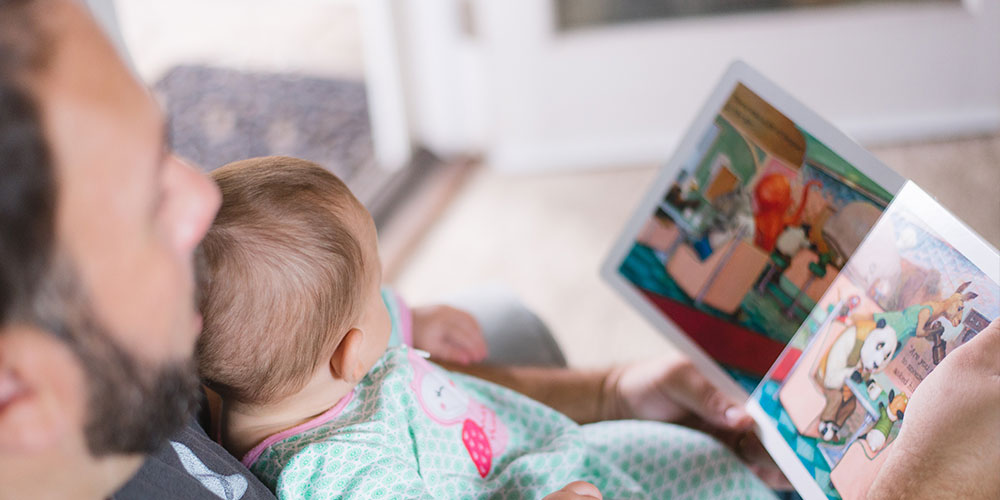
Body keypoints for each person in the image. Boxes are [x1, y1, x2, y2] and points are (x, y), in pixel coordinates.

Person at [0, 1, 995, 498]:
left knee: (501, 322)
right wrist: (920, 472)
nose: (200, 197)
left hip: (505, 445)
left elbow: (344, 381)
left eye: (169, 146)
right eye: (139, 203)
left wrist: (605, 386)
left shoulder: (157, 342)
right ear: (17, 389)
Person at [197, 156, 777, 498]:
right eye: (379, 294)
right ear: (350, 354)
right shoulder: (341, 474)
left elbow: (345, 327)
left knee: (703, 456)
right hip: (539, 484)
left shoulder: (293, 377)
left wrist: (409, 319)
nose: (390, 302)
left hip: (553, 453)